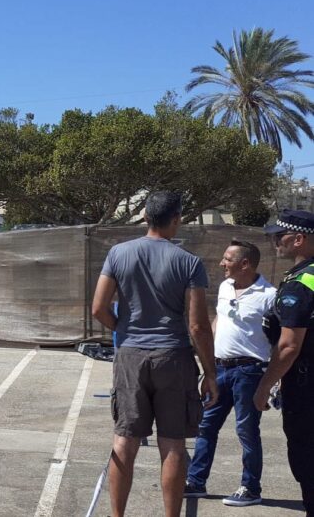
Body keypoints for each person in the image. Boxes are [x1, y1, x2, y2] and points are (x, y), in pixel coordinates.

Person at [91, 191, 219, 517]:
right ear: (176, 219)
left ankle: (117, 514)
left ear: (145, 216)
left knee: (124, 440)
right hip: (174, 357)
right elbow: (198, 326)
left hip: (131, 355)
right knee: (174, 444)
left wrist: (123, 330)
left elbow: (98, 308)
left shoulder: (118, 254)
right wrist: (210, 374)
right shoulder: (189, 263)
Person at [185, 240, 274, 507]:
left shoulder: (269, 295)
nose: (221, 264)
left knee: (246, 430)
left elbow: (280, 339)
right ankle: (196, 482)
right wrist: (207, 364)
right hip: (220, 369)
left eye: (227, 259)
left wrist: (272, 381)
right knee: (205, 426)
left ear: (244, 264)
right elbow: (217, 320)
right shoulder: (224, 287)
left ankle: (250, 487)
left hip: (250, 372)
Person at [254, 209, 314, 513]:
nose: (275, 242)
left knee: (307, 463)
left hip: (306, 390)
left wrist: (264, 386)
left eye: (280, 236)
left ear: (299, 239)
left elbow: (289, 346)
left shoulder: (302, 281)